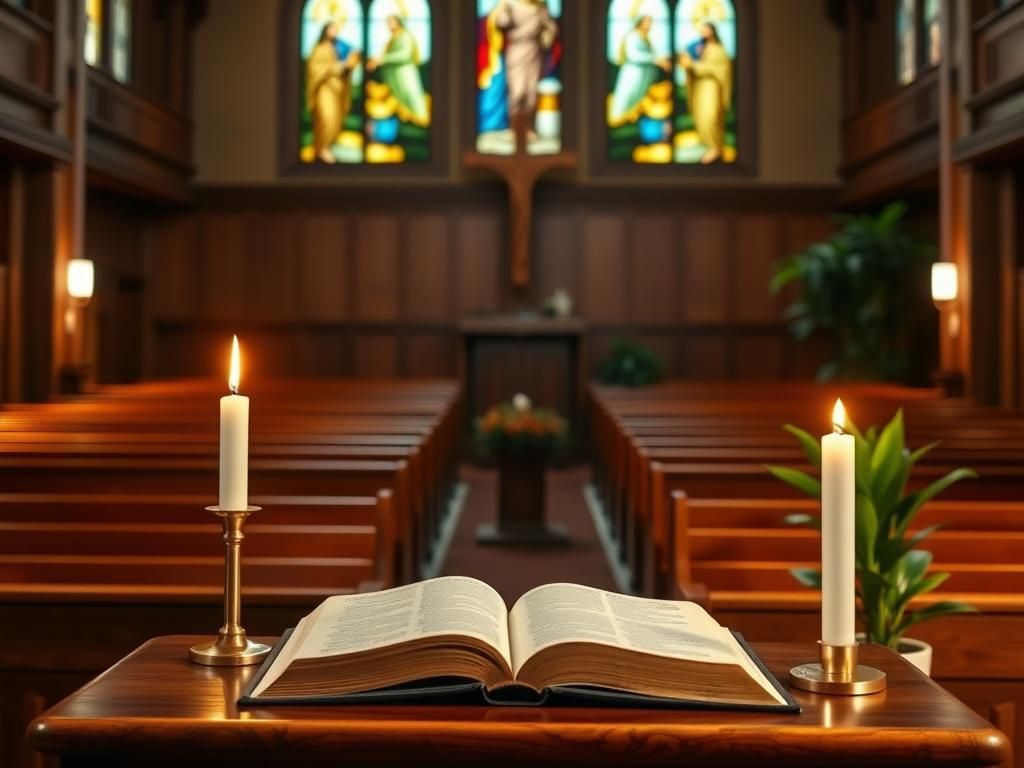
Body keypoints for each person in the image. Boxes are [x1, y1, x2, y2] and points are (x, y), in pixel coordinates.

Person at [491, 0, 558, 134]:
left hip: (533, 51)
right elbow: (500, 23)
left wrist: (546, 39)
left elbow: (550, 27)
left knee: (531, 92)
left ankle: (528, 129)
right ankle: (515, 129)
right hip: (516, 50)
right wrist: (505, 10)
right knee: (517, 91)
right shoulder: (511, 5)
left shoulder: (539, 6)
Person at [306, 21, 360, 164]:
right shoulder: (319, 49)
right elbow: (315, 69)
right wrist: (336, 67)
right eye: (332, 29)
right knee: (326, 117)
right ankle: (321, 148)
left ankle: (328, 147)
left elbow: (345, 66)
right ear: (325, 30)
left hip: (337, 90)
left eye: (336, 29)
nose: (335, 32)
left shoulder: (339, 47)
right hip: (324, 90)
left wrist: (348, 65)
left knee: (335, 118)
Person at [678, 21, 732, 164]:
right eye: (701, 30)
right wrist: (687, 64)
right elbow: (691, 64)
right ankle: (708, 146)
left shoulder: (719, 50)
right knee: (701, 116)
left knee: (710, 115)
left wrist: (695, 65)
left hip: (712, 86)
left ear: (712, 31)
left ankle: (716, 147)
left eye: (705, 29)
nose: (703, 32)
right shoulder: (699, 48)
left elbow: (720, 70)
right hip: (700, 87)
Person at [608, 14, 672, 126]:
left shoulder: (646, 38)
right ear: (640, 22)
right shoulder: (633, 36)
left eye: (650, 22)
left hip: (642, 76)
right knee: (627, 96)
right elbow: (633, 55)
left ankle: (628, 120)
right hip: (632, 74)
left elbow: (653, 54)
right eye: (647, 22)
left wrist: (661, 59)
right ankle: (616, 120)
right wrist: (655, 59)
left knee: (637, 99)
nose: (649, 25)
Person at [367, 14, 429, 126]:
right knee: (400, 101)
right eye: (388, 23)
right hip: (395, 76)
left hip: (406, 73)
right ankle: (409, 121)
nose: (389, 25)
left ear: (398, 22)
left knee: (411, 96)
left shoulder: (406, 36)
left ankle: (422, 120)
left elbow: (405, 54)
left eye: (391, 22)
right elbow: (384, 54)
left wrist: (383, 59)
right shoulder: (392, 38)